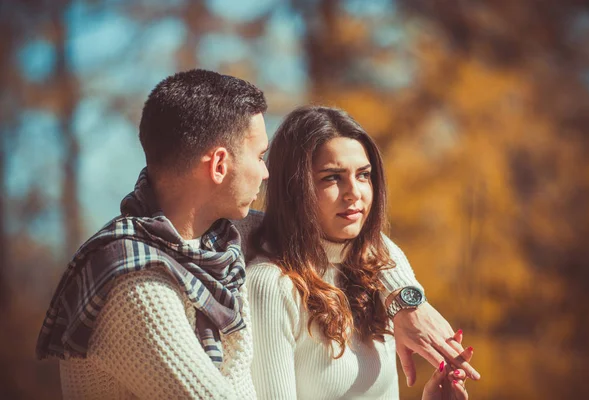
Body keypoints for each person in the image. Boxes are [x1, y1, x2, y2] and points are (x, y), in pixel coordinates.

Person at [36, 69, 270, 399]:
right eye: (260, 156)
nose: (266, 172)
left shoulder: (218, 247)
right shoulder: (133, 282)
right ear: (219, 164)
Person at [246, 106, 477, 399]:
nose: (354, 192)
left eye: (364, 175)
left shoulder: (375, 274)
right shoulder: (269, 286)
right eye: (332, 177)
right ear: (295, 187)